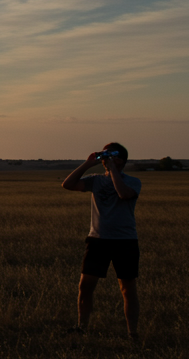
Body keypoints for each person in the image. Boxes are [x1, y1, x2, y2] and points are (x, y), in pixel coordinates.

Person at [61, 142, 142, 340]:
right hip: (98, 239)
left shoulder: (133, 182)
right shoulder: (95, 180)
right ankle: (82, 327)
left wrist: (113, 170)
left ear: (121, 160)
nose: (106, 160)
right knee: (86, 286)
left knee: (127, 288)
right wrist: (88, 164)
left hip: (125, 241)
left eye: (111, 156)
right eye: (105, 156)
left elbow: (123, 194)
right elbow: (67, 184)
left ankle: (132, 333)